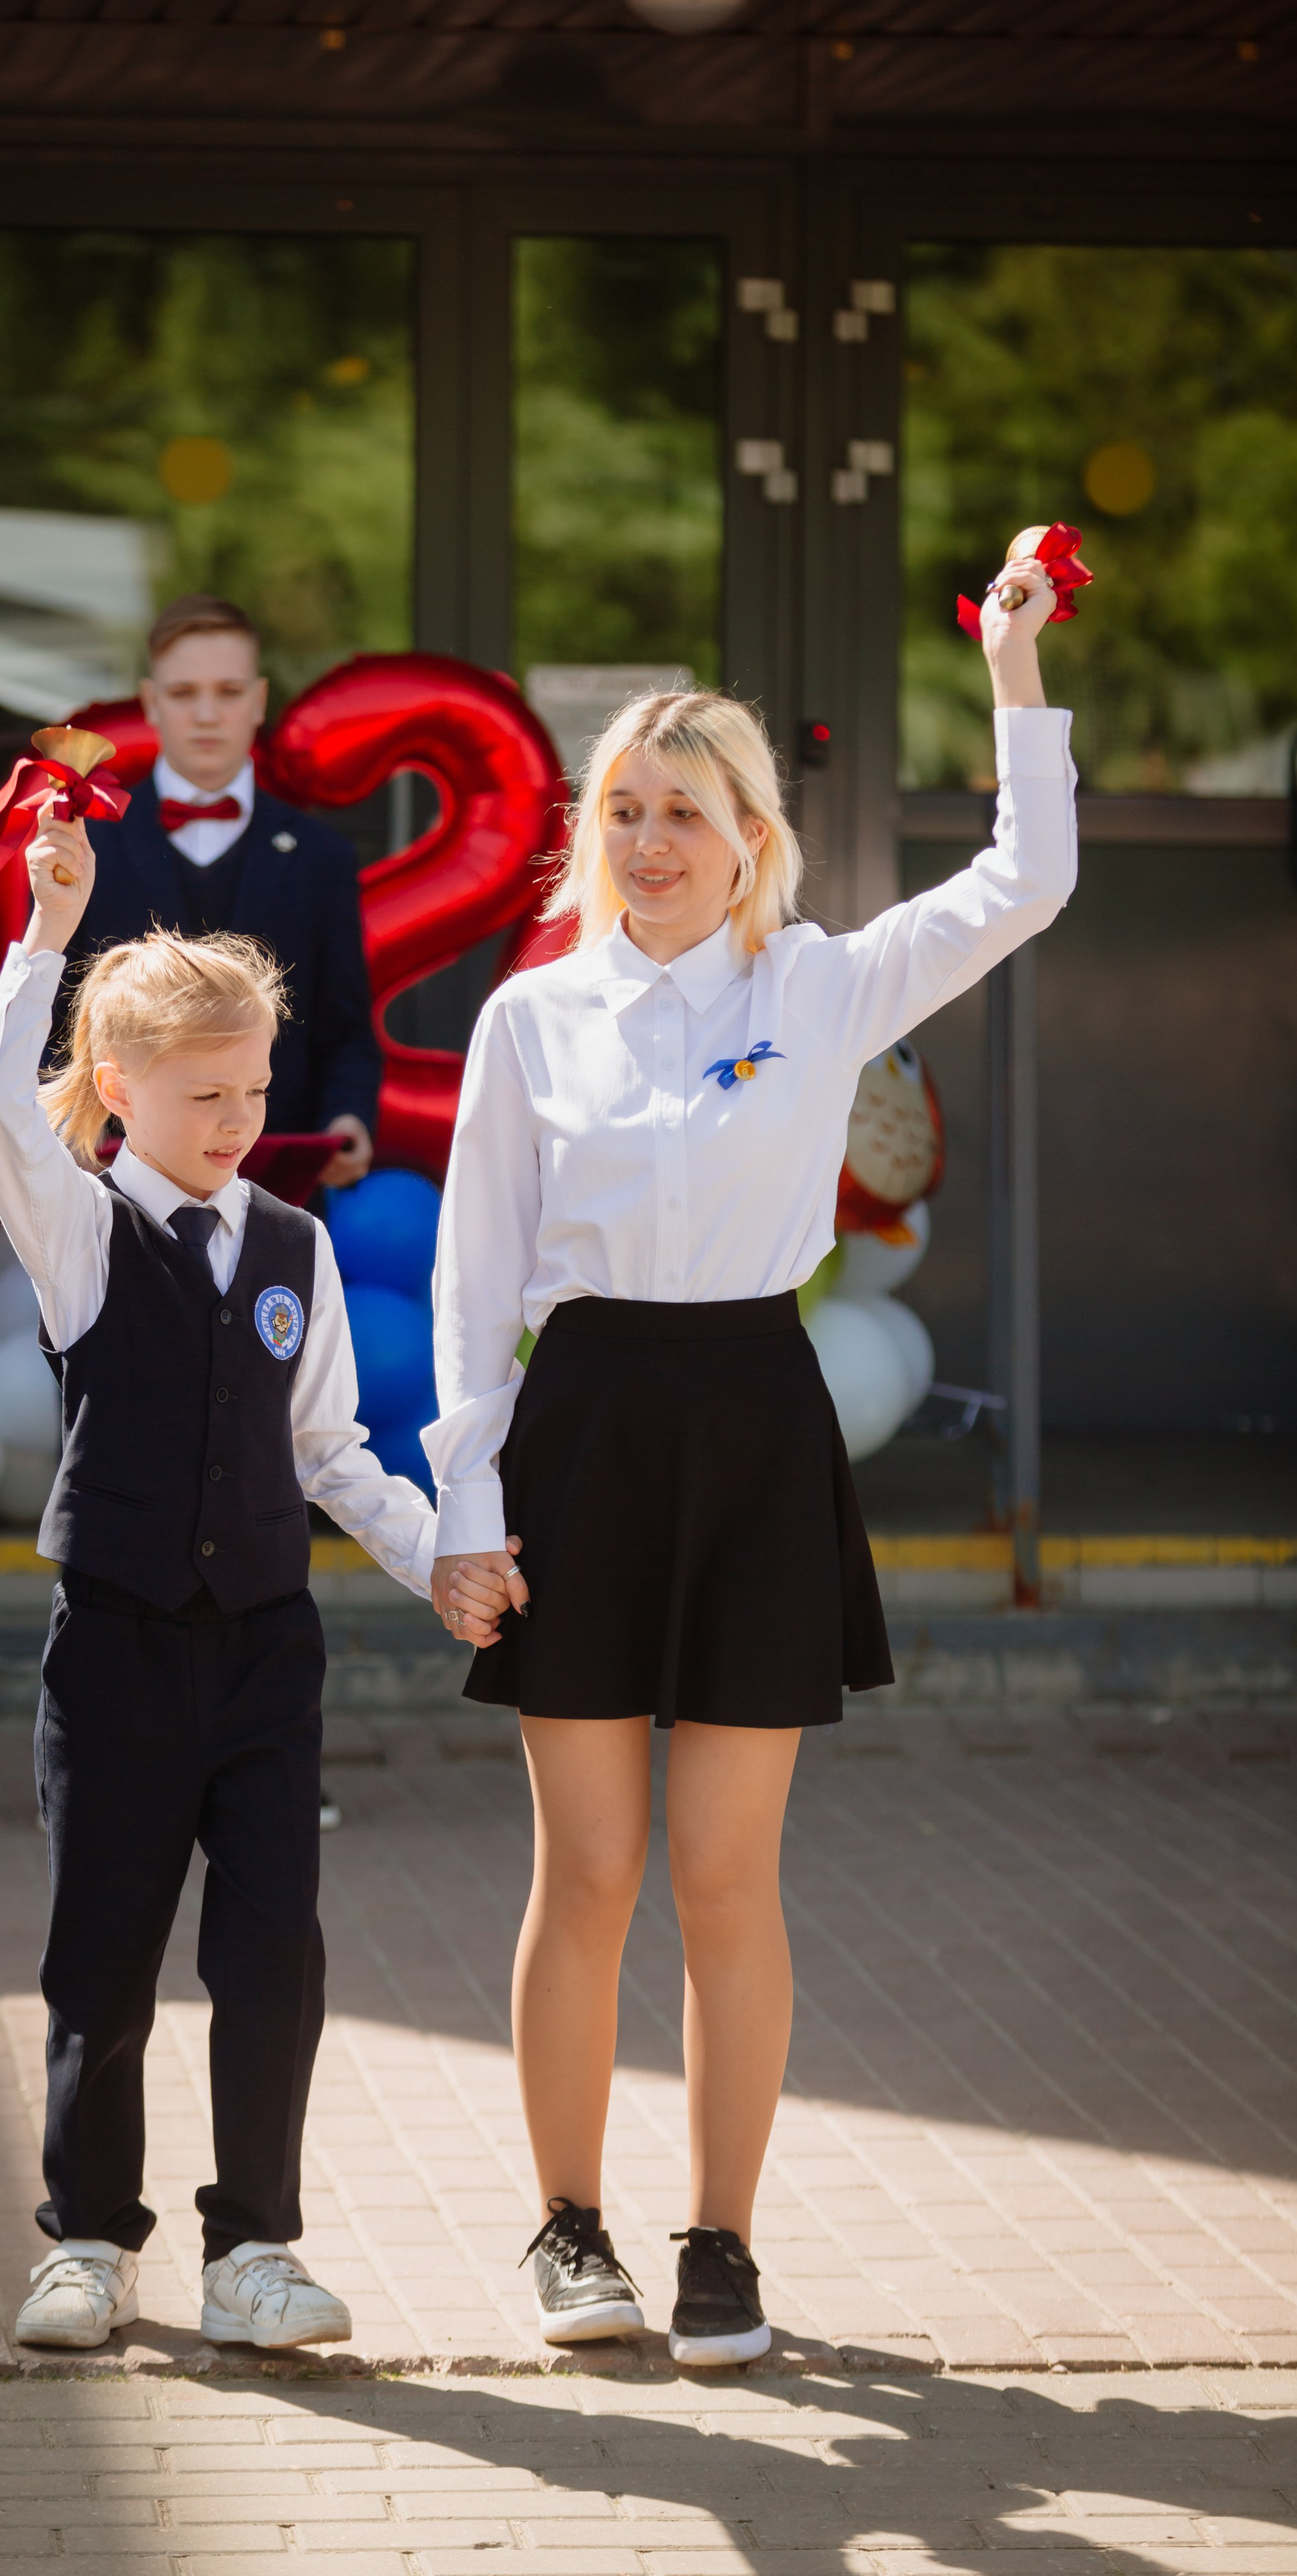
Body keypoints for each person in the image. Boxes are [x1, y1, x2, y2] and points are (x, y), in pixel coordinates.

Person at [423, 555, 1076, 2363]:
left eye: (683, 813)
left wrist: (1014, 670)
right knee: (593, 1872)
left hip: (759, 1430)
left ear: (750, 834)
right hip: (584, 1431)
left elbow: (1031, 882)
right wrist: (464, 1507)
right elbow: (477, 1292)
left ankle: (723, 2243)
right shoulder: (528, 1018)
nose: (648, 842)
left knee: (725, 1873)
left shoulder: (829, 983)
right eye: (621, 811)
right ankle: (570, 2228)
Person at [0, 798, 511, 2354]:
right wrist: (48, 930)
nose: (238, 1115)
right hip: (120, 1646)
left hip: (266, 1649)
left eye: (256, 1084)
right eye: (203, 1090)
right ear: (119, 1093)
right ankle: (85, 2236)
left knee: (272, 1947)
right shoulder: (75, 1227)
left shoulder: (291, 1242)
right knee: (103, 1954)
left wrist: (436, 1559)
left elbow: (333, 1449)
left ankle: (253, 2247)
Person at [57, 594, 379, 1195]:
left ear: (258, 701)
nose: (207, 714)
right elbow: (56, 1025)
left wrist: (348, 1119)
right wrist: (67, 1141)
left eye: (228, 693)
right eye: (184, 694)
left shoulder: (320, 857)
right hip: (115, 1193)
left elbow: (344, 1032)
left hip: (277, 1194)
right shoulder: (87, 846)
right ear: (151, 703)